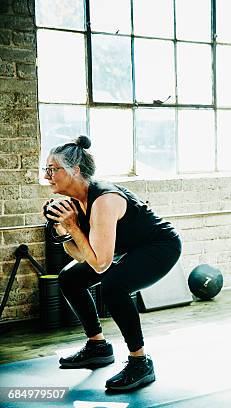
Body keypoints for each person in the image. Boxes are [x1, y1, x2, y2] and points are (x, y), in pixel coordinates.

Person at [43, 136, 182, 391]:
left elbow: (100, 265)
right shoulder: (76, 201)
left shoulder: (104, 200)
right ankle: (98, 346)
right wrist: (64, 230)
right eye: (47, 169)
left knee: (112, 286)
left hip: (160, 246)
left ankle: (140, 362)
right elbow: (82, 257)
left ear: (74, 170)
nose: (47, 176)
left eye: (53, 169)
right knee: (70, 277)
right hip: (129, 248)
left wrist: (73, 226)